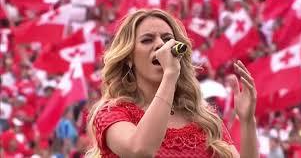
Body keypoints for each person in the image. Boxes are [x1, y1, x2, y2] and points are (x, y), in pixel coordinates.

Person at [85, 9, 258, 158]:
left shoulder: (202, 117)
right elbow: (140, 151)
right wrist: (170, 75)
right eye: (147, 40)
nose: (161, 44)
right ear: (129, 58)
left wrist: (247, 121)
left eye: (167, 38)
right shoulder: (112, 113)